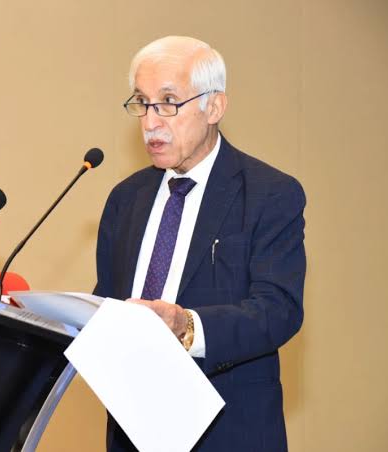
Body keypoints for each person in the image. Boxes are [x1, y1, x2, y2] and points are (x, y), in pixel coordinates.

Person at [94, 36, 306, 451]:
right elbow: (108, 301)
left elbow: (278, 310)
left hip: (228, 431)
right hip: (133, 431)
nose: (150, 122)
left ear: (214, 107)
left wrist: (186, 325)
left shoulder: (269, 194)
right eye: (142, 103)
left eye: (168, 102)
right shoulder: (126, 198)